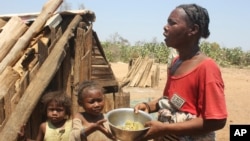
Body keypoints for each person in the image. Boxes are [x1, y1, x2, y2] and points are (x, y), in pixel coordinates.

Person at [134, 3, 227, 141]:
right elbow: (171, 100)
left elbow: (217, 121)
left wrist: (166, 129)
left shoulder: (207, 68)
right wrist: (148, 106)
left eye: (173, 23)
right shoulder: (176, 63)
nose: (165, 27)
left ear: (193, 30)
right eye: (167, 22)